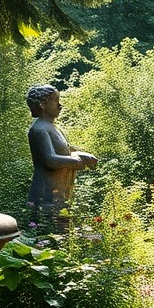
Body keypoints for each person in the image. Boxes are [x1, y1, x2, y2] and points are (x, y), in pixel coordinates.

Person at [25, 85, 97, 217]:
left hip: (58, 191)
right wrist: (75, 161)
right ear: (42, 105)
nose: (60, 105)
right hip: (45, 193)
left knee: (60, 231)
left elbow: (63, 153)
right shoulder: (40, 130)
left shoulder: (52, 127)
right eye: (56, 101)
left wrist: (81, 155)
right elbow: (50, 160)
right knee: (44, 231)